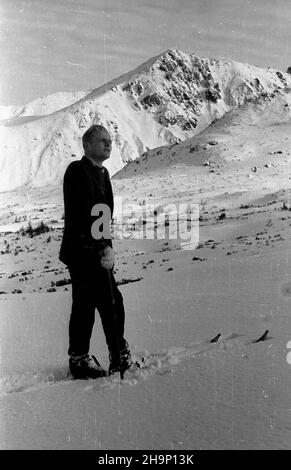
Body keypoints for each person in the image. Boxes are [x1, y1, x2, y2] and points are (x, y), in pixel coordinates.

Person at [59, 124, 132, 379]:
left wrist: (108, 248)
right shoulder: (77, 170)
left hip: (96, 252)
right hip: (82, 251)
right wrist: (101, 248)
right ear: (87, 145)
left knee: (89, 304)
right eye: (102, 140)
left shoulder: (103, 174)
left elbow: (104, 217)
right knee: (108, 302)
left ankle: (85, 359)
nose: (108, 144)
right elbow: (83, 212)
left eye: (110, 140)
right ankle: (115, 356)